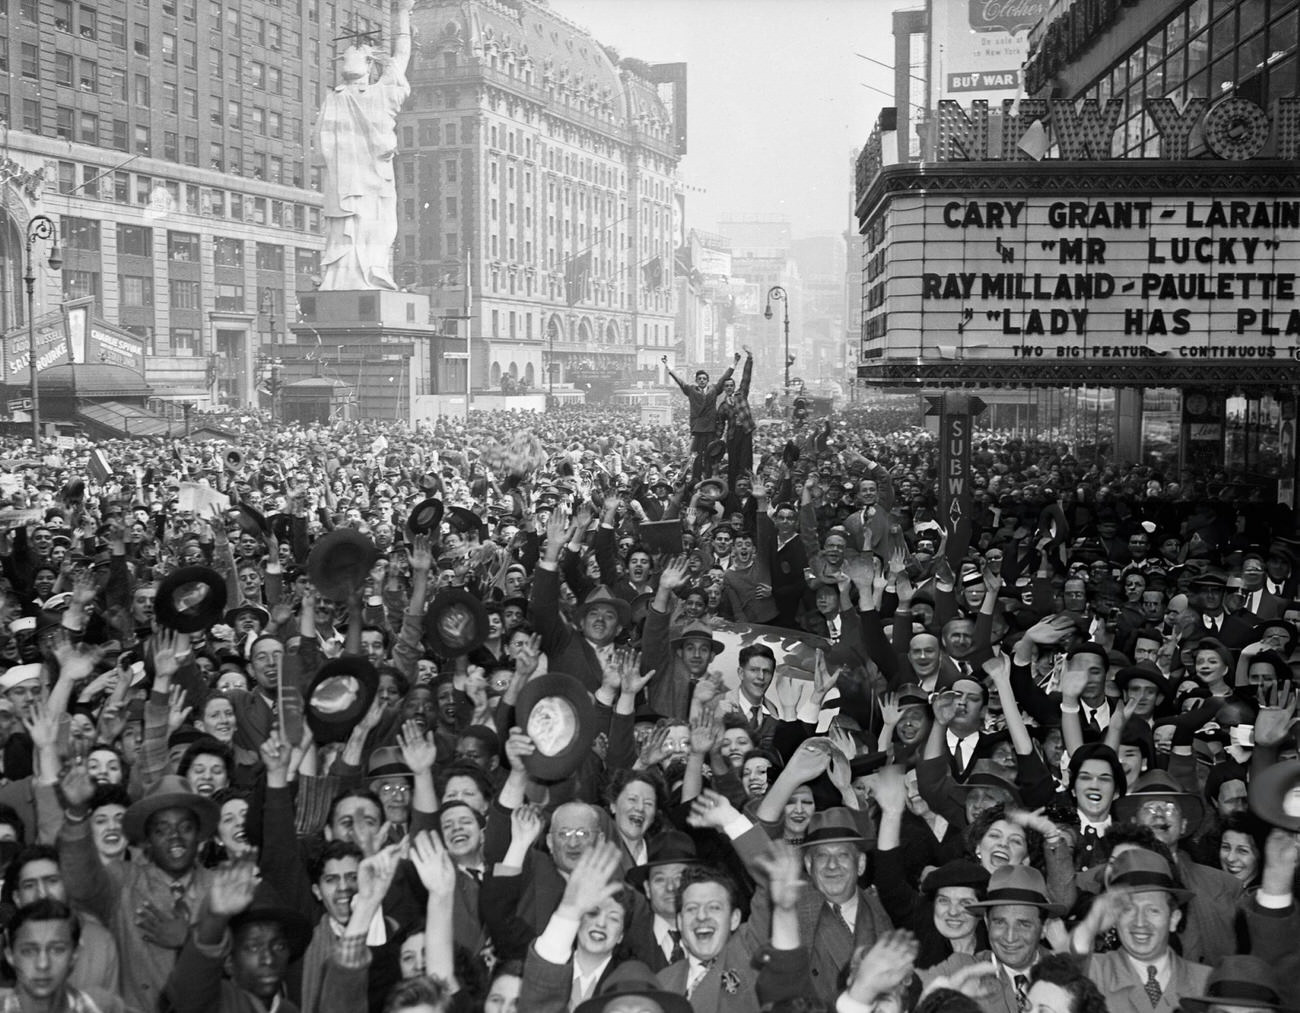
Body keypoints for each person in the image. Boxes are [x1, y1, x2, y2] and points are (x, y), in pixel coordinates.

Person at [314, 0, 413, 290]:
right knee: (346, 230)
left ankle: (369, 276)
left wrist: (403, 14)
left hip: (374, 185)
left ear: (370, 63)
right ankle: (343, 280)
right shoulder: (334, 98)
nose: (346, 59)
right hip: (346, 185)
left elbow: (401, 55)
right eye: (343, 56)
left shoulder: (382, 94)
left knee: (377, 230)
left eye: (353, 55)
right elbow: (320, 149)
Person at [0, 899, 131, 1013]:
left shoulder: (103, 1007)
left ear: (75, 954)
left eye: (57, 950)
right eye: (29, 951)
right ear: (10, 955)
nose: (43, 964)